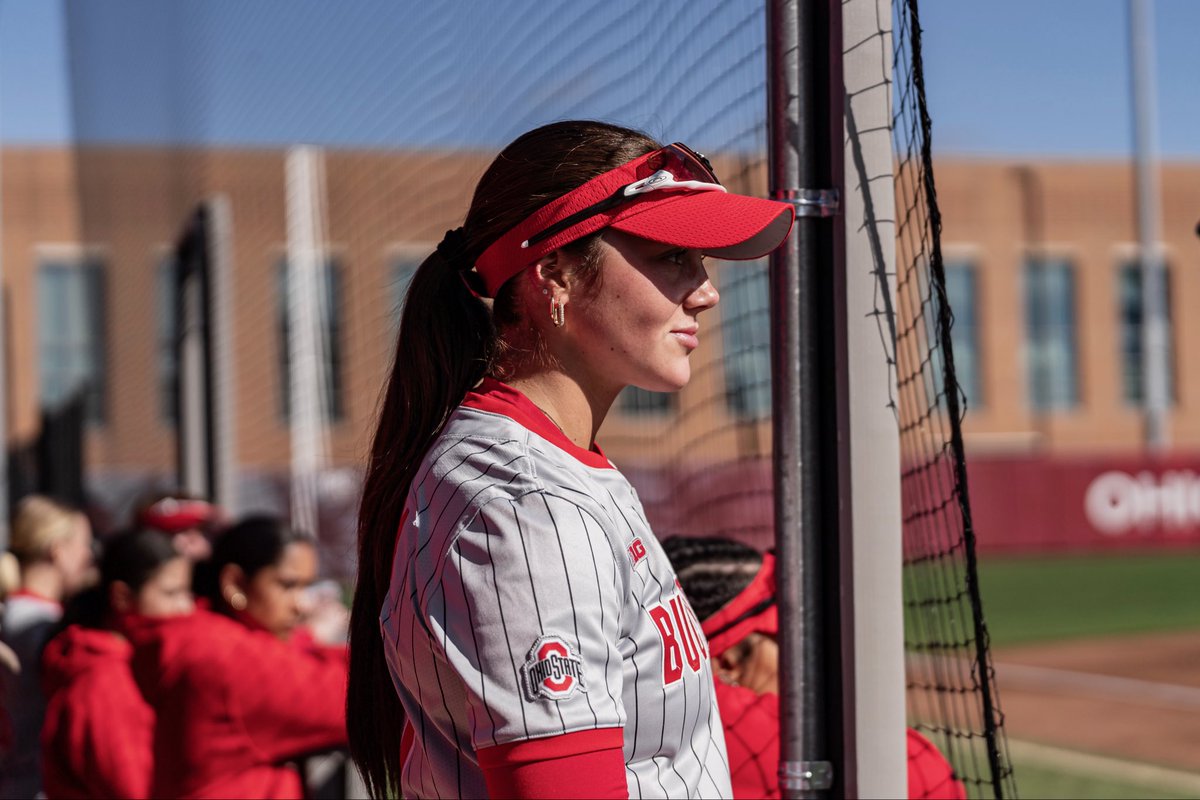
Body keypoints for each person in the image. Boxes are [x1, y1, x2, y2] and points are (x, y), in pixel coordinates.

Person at [348, 119, 796, 799]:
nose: (706, 291)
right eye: (672, 255)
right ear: (554, 274)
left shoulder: (548, 468)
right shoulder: (525, 504)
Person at [661, 535, 967, 800]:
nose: (805, 658)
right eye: (784, 641)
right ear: (728, 663)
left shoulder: (651, 719)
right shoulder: (881, 757)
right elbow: (931, 780)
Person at [127, 516, 347, 798]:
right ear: (236, 584)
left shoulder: (208, 640)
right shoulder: (225, 658)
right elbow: (353, 696)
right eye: (287, 585)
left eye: (306, 588)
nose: (301, 605)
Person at [40, 527, 194, 799]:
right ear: (122, 597)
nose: (186, 608)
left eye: (187, 593)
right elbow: (134, 788)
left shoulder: (130, 663)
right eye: (171, 594)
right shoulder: (104, 680)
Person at [0, 495, 94, 798]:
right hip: (37, 786)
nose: (89, 556)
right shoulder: (41, 624)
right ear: (57, 551)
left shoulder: (12, 612)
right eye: (84, 545)